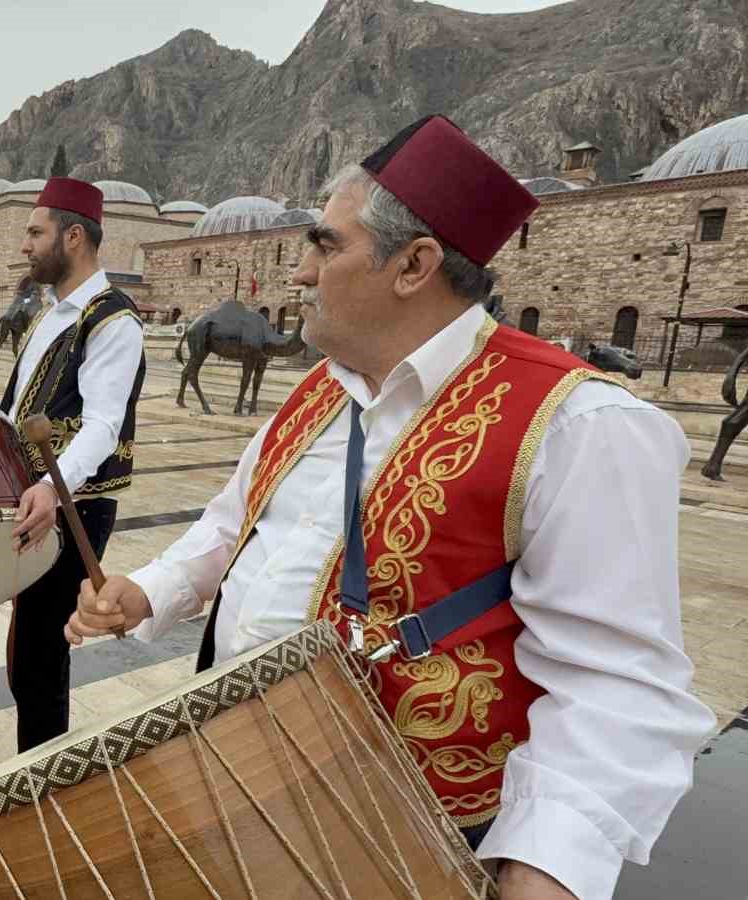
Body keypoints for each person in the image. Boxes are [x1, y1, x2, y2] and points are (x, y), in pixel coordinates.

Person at [63, 115, 715, 900]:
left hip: (411, 836)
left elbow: (619, 683)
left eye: (326, 244)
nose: (301, 273)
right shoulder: (316, 389)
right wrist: (154, 589)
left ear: (414, 265)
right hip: (249, 785)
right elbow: (238, 525)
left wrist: (548, 870)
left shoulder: (582, 425)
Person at [0, 176, 146, 752]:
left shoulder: (112, 321)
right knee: (26, 647)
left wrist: (55, 492)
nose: (24, 245)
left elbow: (104, 424)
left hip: (75, 508)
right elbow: (19, 409)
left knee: (41, 654)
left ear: (73, 236)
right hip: (37, 499)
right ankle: (35, 767)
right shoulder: (47, 315)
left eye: (35, 232)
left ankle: (42, 786)